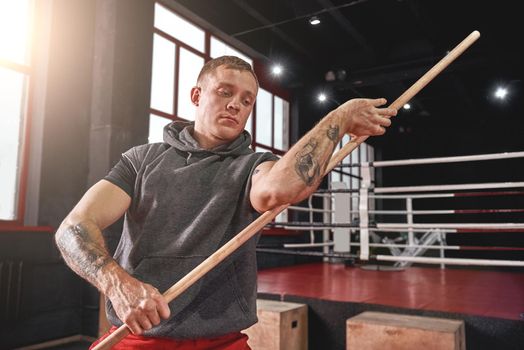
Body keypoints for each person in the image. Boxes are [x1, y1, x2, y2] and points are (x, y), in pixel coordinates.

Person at [55, 55, 396, 349]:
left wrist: (338, 119)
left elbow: (280, 189)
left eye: (247, 100)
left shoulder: (253, 165)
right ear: (196, 95)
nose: (236, 104)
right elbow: (74, 227)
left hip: (219, 340)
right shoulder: (141, 160)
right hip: (138, 334)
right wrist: (117, 283)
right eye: (225, 92)